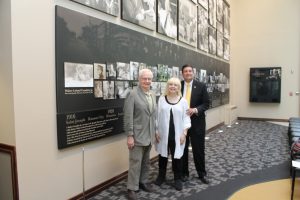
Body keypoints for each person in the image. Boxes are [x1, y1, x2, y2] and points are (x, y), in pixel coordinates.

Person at [123, 68, 156, 200]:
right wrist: (130, 135)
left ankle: (142, 182)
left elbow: (153, 115)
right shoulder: (133, 94)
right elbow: (128, 116)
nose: (147, 81)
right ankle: (131, 188)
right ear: (139, 79)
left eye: (149, 79)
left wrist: (156, 131)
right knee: (135, 162)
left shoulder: (152, 94)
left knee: (146, 161)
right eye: (144, 78)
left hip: (149, 134)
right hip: (137, 135)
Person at [155, 77, 191, 191]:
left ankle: (177, 178)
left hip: (177, 135)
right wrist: (156, 131)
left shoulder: (183, 101)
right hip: (163, 134)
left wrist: (184, 133)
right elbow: (156, 116)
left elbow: (186, 118)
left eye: (175, 85)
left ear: (178, 87)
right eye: (170, 84)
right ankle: (161, 176)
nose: (173, 87)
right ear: (168, 86)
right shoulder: (161, 99)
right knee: (162, 156)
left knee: (177, 157)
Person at [181, 64, 210, 184]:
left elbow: (206, 103)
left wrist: (195, 110)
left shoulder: (201, 86)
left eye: (190, 71)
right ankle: (184, 173)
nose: (188, 73)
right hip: (181, 124)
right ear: (182, 74)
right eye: (185, 71)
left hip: (197, 123)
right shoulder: (178, 86)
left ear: (193, 73)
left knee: (198, 149)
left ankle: (201, 173)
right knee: (182, 149)